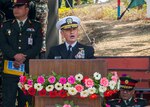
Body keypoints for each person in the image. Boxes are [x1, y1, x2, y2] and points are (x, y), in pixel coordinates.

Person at [0, 0, 43, 107]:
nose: (16, 9)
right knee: (8, 101)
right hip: (10, 69)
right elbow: (3, 44)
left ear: (27, 9)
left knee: (25, 101)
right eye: (14, 7)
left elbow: (37, 46)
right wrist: (15, 55)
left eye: (19, 7)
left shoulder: (36, 26)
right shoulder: (6, 26)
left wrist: (24, 56)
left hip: (27, 70)